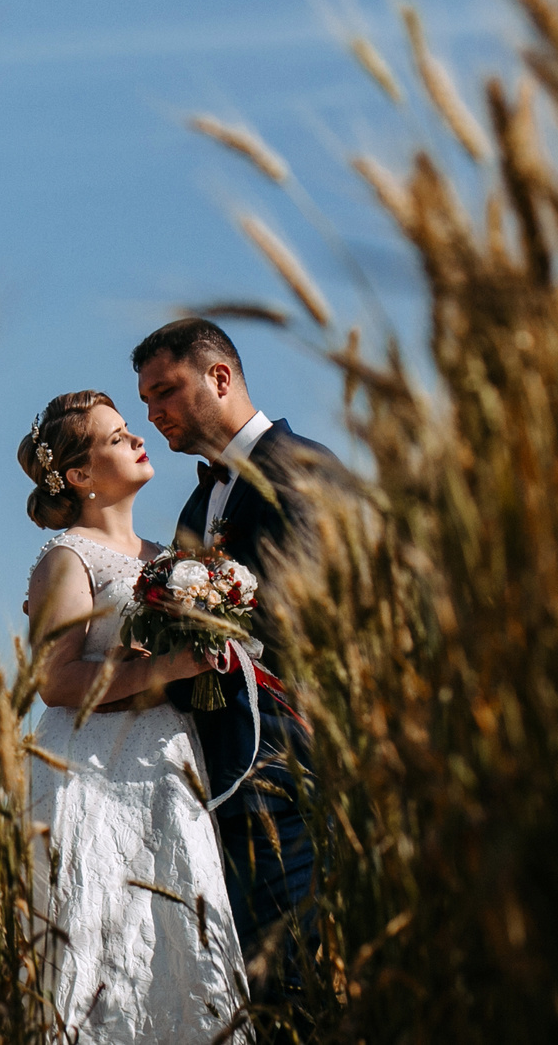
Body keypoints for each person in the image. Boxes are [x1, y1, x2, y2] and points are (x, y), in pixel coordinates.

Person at [132, 317, 350, 1042]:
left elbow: (321, 617)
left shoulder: (299, 465)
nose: (153, 411)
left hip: (297, 767)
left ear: (219, 376)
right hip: (225, 778)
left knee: (303, 965)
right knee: (257, 976)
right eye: (145, 399)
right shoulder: (199, 506)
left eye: (166, 390)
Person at [20, 389, 248, 1044]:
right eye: (116, 437)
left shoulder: (168, 557)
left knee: (182, 940)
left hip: (170, 768)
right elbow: (56, 680)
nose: (136, 439)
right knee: (106, 947)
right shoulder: (70, 557)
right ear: (82, 475)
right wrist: (168, 667)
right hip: (96, 773)